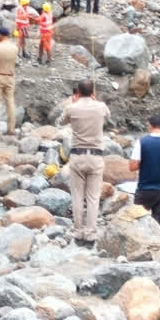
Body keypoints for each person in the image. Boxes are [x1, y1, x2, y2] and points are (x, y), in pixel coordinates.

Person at [59, 80, 108, 244]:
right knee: (93, 197)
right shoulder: (100, 106)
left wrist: (74, 103)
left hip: (77, 156)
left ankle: (78, 232)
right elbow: (108, 117)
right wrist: (95, 101)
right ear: (92, 92)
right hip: (95, 156)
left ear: (78, 92)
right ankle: (91, 233)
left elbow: (61, 122)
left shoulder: (71, 107)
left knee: (77, 196)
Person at [0, 27, 19, 136]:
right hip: (10, 76)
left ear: (0, 35)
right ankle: (11, 128)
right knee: (10, 102)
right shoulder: (15, 47)